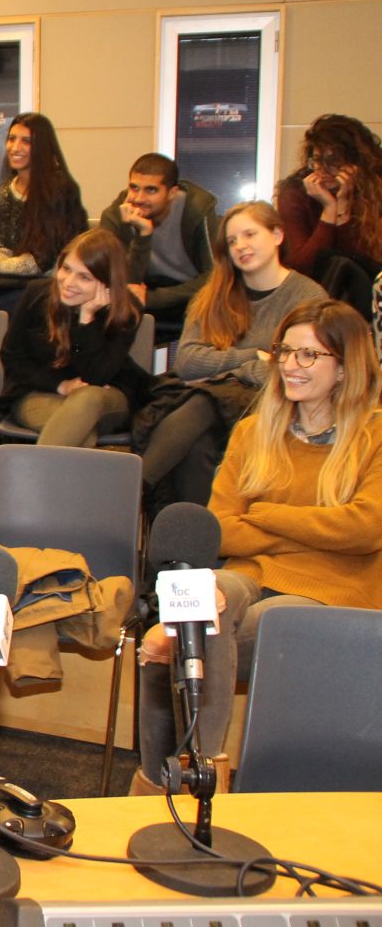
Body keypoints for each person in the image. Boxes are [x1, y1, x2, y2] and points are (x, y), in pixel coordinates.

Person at [133, 298, 382, 794]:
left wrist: (266, 516)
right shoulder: (253, 432)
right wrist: (312, 526)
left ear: (345, 368)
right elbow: (223, 527)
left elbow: (365, 527)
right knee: (196, 604)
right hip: (249, 577)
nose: (290, 365)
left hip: (333, 592)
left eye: (309, 355)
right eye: (285, 351)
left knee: (202, 633)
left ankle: (187, 781)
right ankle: (196, 773)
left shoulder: (375, 436)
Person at [135, 202, 326, 507]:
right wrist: (253, 356)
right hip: (209, 408)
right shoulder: (213, 294)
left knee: (205, 399)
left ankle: (132, 490)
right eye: (232, 241)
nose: (240, 246)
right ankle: (200, 547)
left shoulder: (307, 297)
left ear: (277, 235)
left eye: (249, 234)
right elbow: (186, 362)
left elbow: (298, 370)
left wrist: (225, 371)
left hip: (273, 403)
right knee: (197, 445)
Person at [0, 228, 148, 448]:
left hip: (105, 400)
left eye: (84, 277)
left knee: (87, 398)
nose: (69, 282)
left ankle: (29, 480)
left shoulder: (125, 311)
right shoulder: (37, 295)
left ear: (108, 283)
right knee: (80, 432)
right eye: (66, 269)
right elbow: (13, 358)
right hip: (40, 393)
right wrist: (61, 385)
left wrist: (87, 320)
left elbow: (98, 376)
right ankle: (51, 481)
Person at [0, 112, 86, 314]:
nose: (15, 147)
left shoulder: (60, 189)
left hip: (49, 281)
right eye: (11, 139)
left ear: (41, 147)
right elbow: (6, 247)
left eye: (26, 141)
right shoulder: (6, 189)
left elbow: (38, 263)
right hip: (11, 279)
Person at [275, 114, 382, 319]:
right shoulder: (295, 193)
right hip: (310, 302)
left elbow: (363, 264)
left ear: (354, 163)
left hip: (366, 302)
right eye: (316, 160)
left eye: (333, 160)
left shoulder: (374, 192)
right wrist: (328, 210)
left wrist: (343, 206)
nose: (322, 169)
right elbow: (301, 267)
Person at [97, 152, 220, 329]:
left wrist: (154, 298)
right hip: (143, 290)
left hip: (190, 293)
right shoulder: (115, 216)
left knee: (215, 307)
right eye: (134, 188)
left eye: (151, 190)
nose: (139, 198)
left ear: (172, 193)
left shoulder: (197, 210)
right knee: (106, 310)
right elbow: (124, 281)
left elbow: (215, 275)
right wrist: (143, 234)